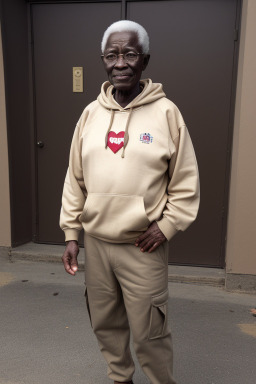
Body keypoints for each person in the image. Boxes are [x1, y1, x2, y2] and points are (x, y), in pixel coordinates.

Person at [60, 20, 200, 384]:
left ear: (145, 61)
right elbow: (75, 178)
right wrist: (72, 234)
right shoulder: (90, 115)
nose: (120, 62)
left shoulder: (167, 113)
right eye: (112, 55)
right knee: (105, 324)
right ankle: (119, 378)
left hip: (142, 247)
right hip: (98, 245)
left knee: (150, 333)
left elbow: (185, 182)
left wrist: (167, 225)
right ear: (103, 61)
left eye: (130, 54)